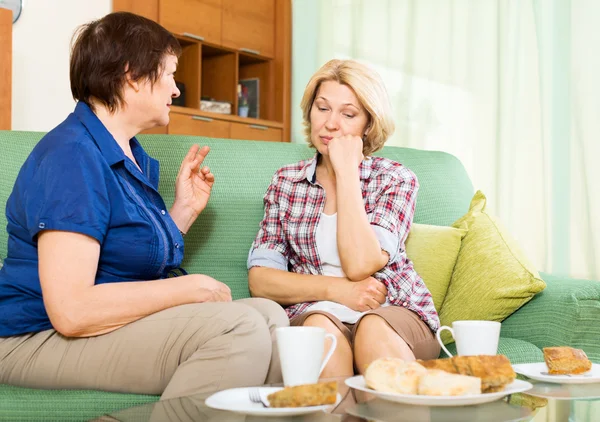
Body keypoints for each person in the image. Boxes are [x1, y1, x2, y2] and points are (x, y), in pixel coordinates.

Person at [0, 12, 287, 400]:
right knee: (240, 328)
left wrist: (181, 212)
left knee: (271, 319)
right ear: (132, 76)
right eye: (169, 74)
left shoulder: (127, 154)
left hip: (88, 326)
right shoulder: (72, 156)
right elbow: (72, 311)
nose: (175, 90)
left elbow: (123, 254)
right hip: (32, 335)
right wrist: (189, 289)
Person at [248, 59, 441, 378]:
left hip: (391, 310)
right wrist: (338, 291)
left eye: (348, 114)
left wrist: (347, 173)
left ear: (368, 124)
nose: (331, 124)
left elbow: (361, 264)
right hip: (316, 311)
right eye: (322, 108)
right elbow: (261, 280)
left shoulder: (395, 179)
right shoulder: (286, 181)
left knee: (372, 330)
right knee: (320, 331)